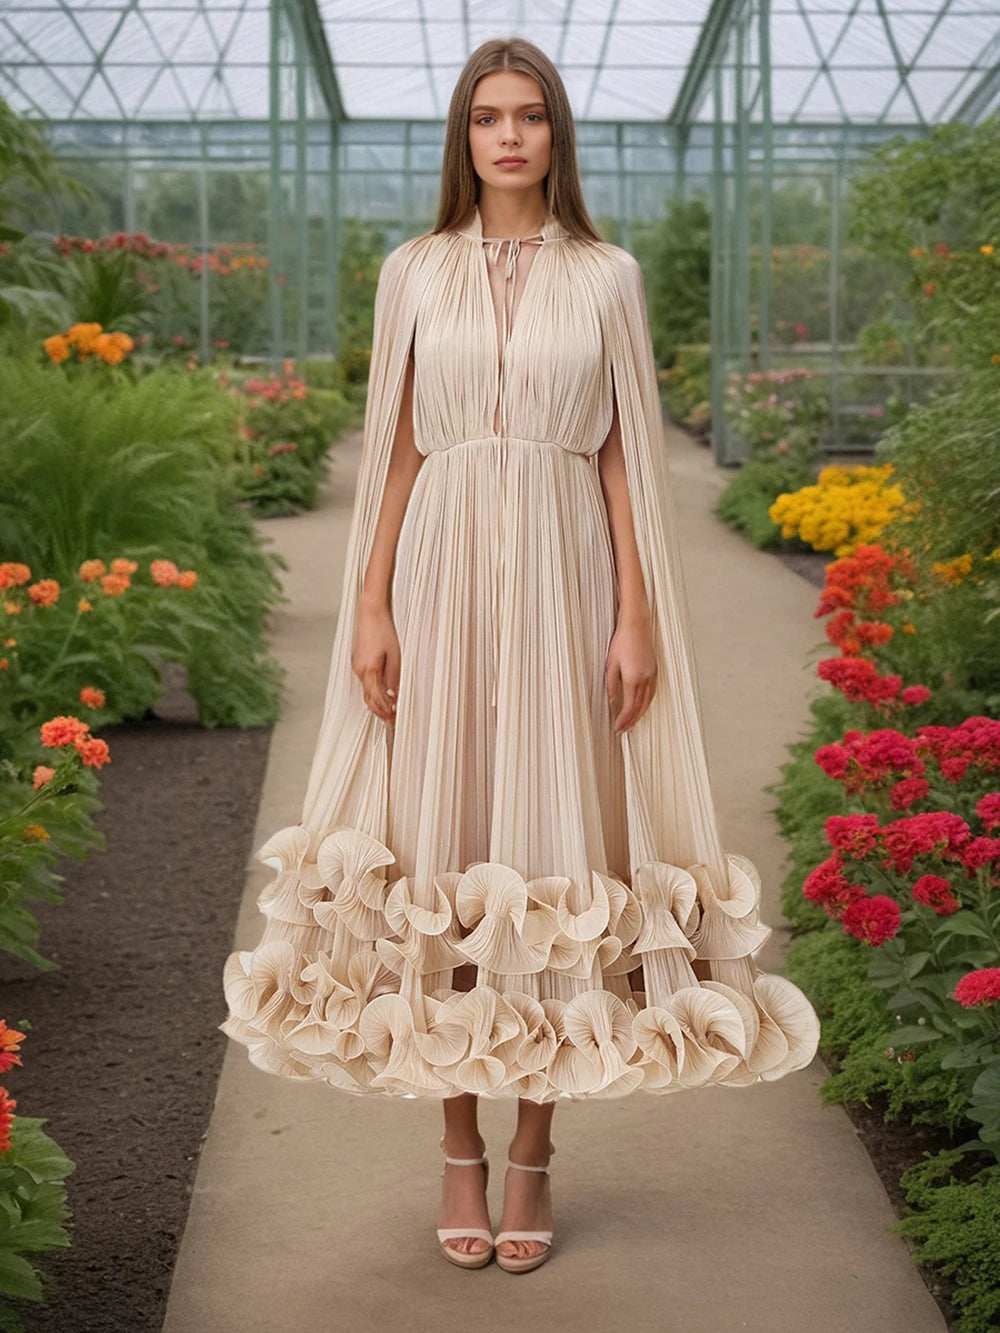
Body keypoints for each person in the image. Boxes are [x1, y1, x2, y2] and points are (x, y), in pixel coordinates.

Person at [221, 37, 821, 1276]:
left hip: (564, 576)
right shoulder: (413, 272)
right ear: (464, 135)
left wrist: (637, 614)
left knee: (552, 841)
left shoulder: (607, 276)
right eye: (488, 116)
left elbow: (622, 458)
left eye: (530, 116)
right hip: (438, 569)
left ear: (557, 137)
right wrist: (372, 599)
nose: (508, 136)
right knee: (441, 832)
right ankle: (456, 1140)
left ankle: (536, 1147)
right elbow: (392, 445)